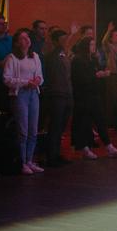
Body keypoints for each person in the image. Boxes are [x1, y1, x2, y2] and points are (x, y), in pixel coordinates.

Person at [71, 38, 117, 159]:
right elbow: (80, 79)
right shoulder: (78, 60)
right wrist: (97, 75)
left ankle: (109, 146)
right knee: (84, 122)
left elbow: (94, 75)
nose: (93, 46)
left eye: (94, 44)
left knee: (100, 120)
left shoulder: (93, 59)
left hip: (94, 94)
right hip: (83, 96)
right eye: (91, 44)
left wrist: (102, 74)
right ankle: (85, 148)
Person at [3, 28, 45, 174]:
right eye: (22, 38)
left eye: (27, 37)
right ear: (16, 42)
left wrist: (37, 80)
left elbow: (40, 75)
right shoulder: (12, 58)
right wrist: (25, 82)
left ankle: (29, 160)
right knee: (23, 130)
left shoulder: (35, 57)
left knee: (33, 129)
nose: (26, 40)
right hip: (20, 94)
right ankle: (22, 162)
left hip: (33, 93)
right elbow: (7, 79)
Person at [44, 29, 73, 167]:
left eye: (65, 38)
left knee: (61, 127)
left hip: (66, 93)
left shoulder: (64, 55)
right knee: (55, 126)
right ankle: (51, 156)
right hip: (56, 94)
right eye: (62, 39)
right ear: (56, 41)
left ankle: (56, 153)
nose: (64, 41)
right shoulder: (52, 56)